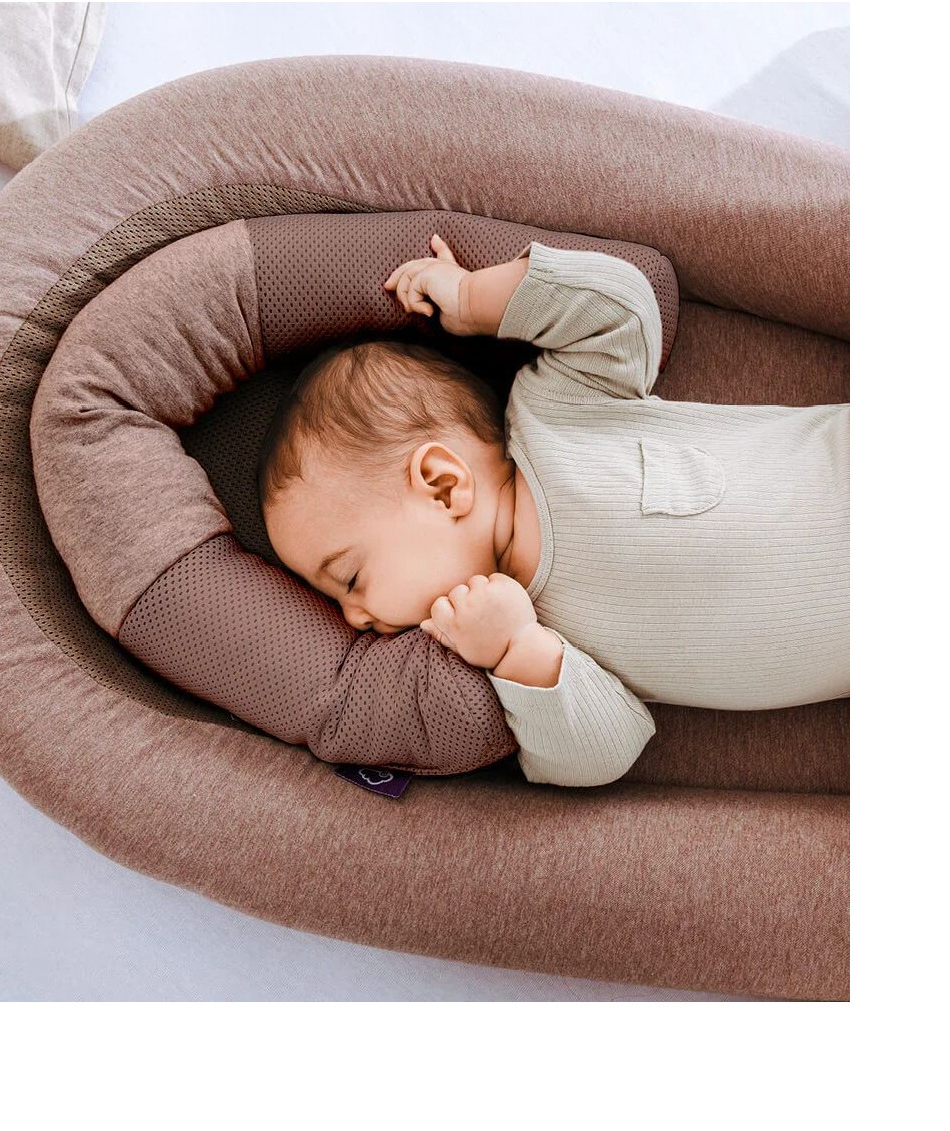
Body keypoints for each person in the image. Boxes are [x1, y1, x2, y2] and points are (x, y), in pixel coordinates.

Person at [258, 234, 849, 786]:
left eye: (351, 579)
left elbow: (623, 307)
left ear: (442, 486)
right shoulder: (538, 635)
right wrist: (516, 649)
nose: (353, 617)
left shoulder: (555, 410)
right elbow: (605, 750)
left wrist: (472, 298)